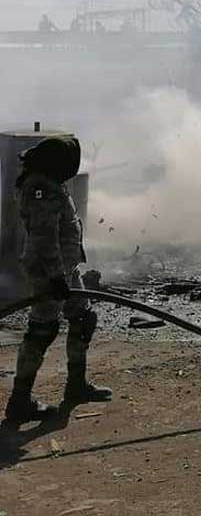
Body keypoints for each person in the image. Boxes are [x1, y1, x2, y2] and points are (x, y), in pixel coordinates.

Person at [3, 136, 112, 427]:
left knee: (82, 319)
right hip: (48, 272)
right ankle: (20, 401)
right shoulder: (40, 188)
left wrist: (66, 272)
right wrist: (55, 278)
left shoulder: (49, 182)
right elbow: (43, 238)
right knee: (42, 330)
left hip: (66, 269)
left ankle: (76, 385)